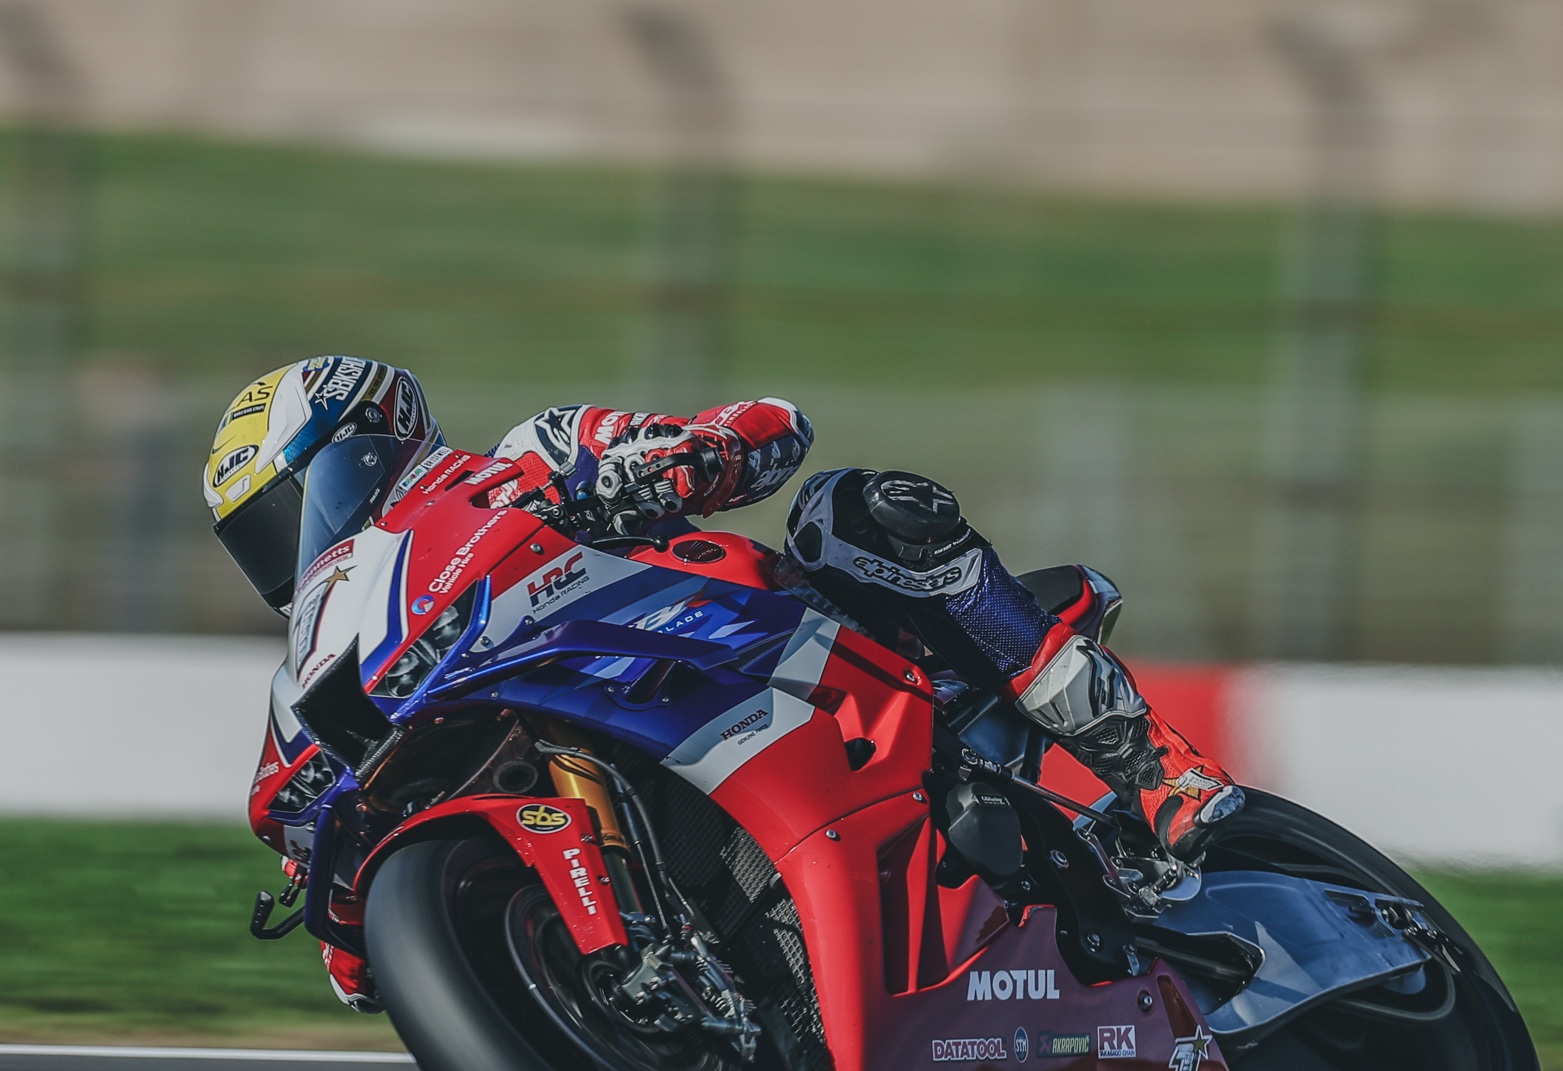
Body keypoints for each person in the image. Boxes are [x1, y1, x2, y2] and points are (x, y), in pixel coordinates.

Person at [206, 357, 1243, 995]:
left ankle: (1156, 768)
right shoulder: (324, 660)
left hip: (778, 651)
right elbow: (336, 893)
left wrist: (687, 453)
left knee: (858, 509)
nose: (292, 547)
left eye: (295, 500)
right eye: (263, 537)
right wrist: (352, 916)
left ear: (370, 436)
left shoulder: (524, 457)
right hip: (600, 728)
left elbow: (769, 423)